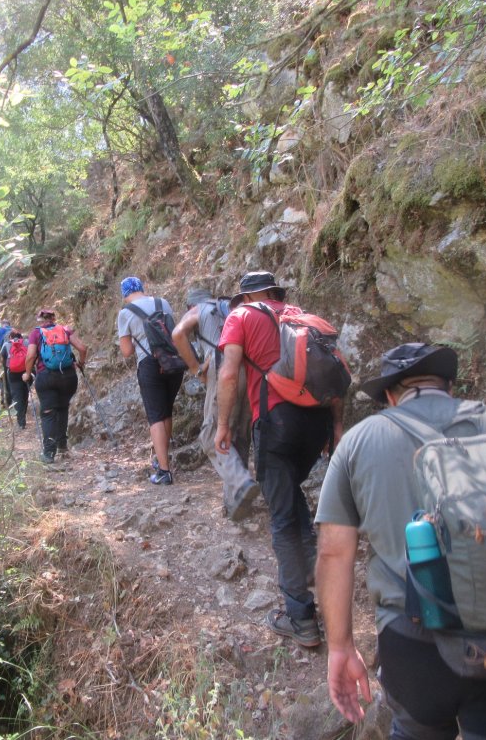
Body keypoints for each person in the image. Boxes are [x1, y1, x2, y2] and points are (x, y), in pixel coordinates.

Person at [315, 343, 486, 739]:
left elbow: (334, 551)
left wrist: (340, 647)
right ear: (451, 387)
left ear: (390, 395)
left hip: (417, 643)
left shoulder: (359, 441)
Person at [215, 271, 343, 648]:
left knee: (282, 516)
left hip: (275, 423)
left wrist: (223, 425)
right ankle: (308, 565)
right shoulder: (302, 316)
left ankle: (301, 618)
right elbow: (334, 373)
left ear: (247, 296)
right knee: (288, 490)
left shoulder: (241, 316)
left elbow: (228, 374)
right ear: (274, 291)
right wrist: (336, 427)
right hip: (316, 422)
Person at [171, 287, 259, 519]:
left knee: (212, 436)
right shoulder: (232, 307)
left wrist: (195, 368)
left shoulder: (199, 309)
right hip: (250, 371)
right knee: (238, 435)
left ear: (191, 305)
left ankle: (241, 482)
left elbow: (178, 334)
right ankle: (235, 505)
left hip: (222, 369)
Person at [117, 276, 185, 485]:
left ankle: (164, 471)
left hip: (148, 364)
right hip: (173, 362)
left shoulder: (125, 313)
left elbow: (127, 352)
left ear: (124, 294)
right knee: (166, 411)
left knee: (155, 416)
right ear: (142, 288)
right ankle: (161, 459)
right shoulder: (162, 303)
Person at [23, 309, 88, 463]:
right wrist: (81, 363)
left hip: (46, 377)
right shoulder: (65, 330)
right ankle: (63, 446)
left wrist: (27, 373)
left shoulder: (36, 333)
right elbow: (83, 348)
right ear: (54, 318)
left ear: (40, 320)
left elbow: (31, 355)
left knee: (48, 413)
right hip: (68, 377)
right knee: (63, 408)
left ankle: (48, 453)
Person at [3, 329, 30, 429]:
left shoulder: (6, 345)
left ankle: (21, 421)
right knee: (25, 394)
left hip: (13, 373)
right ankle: (23, 414)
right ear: (21, 336)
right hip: (26, 372)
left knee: (17, 396)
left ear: (10, 337)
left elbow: (3, 360)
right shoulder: (27, 342)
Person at [0, 319, 12, 407]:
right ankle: (11, 401)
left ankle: (3, 401)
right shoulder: (14, 331)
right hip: (15, 360)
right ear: (9, 324)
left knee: (2, 379)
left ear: (2, 325)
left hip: (3, 358)